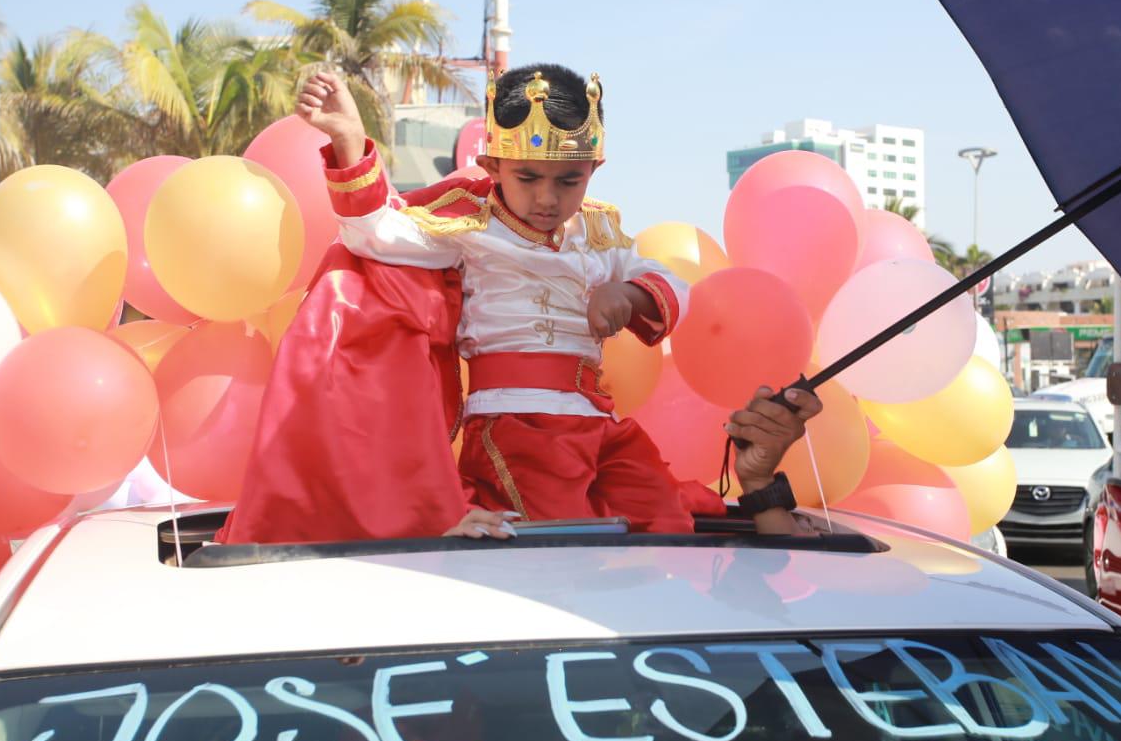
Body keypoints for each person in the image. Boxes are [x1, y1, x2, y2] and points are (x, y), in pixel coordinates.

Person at [216, 65, 818, 544]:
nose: (548, 199)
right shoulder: (469, 221)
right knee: (560, 554)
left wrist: (629, 294)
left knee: (663, 527)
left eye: (569, 180)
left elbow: (669, 282)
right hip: (519, 424)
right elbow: (374, 232)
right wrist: (350, 139)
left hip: (601, 423)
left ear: (593, 171)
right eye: (528, 177)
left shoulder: (599, 230)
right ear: (494, 164)